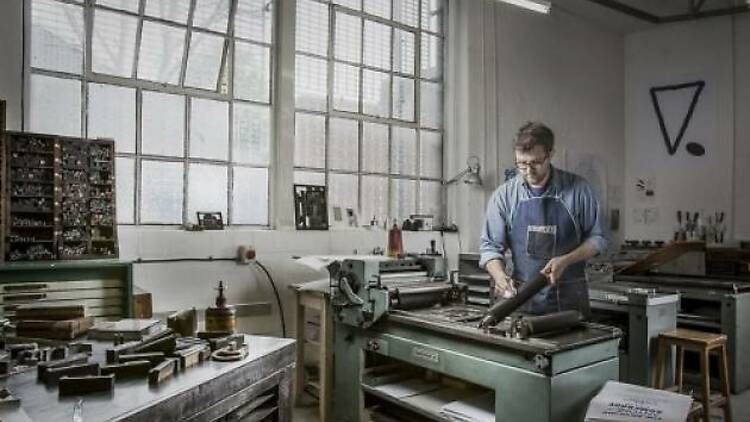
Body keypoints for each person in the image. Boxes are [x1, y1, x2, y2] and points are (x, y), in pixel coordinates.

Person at [479, 122, 609, 316]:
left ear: (550, 154)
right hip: (521, 300)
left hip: (569, 302)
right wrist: (499, 276)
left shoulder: (579, 190)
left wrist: (566, 260)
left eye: (535, 163)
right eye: (521, 164)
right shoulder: (504, 196)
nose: (528, 171)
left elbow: (599, 238)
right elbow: (490, 247)